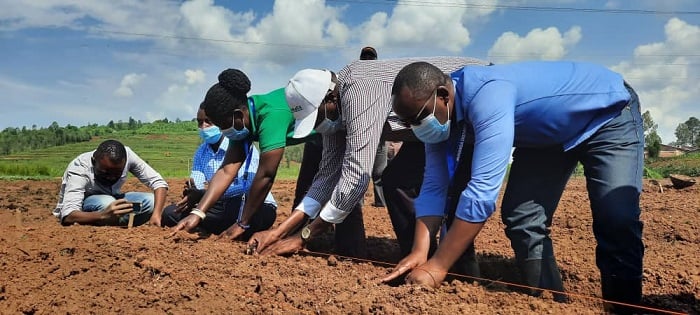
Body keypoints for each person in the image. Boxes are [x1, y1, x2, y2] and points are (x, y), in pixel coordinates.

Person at [387, 61, 644, 314]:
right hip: (548, 137)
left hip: (607, 115)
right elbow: (433, 186)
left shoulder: (487, 96)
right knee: (523, 218)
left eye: (418, 118)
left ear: (443, 96)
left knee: (616, 218)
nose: (414, 128)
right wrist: (420, 251)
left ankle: (623, 307)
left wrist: (438, 266)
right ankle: (552, 305)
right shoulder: (443, 119)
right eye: (407, 122)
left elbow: (481, 193)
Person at [248, 57, 489, 266]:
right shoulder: (334, 113)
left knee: (452, 193)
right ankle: (418, 257)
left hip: (463, 103)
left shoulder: (357, 91)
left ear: (330, 98)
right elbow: (327, 175)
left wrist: (302, 236)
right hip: (424, 128)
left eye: (317, 119)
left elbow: (355, 177)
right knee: (396, 182)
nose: (319, 127)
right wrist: (278, 232)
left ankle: (454, 268)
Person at [170, 69, 365, 257]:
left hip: (329, 126)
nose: (223, 132)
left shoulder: (270, 115)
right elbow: (226, 170)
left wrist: (242, 223)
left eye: (223, 126)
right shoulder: (243, 125)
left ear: (238, 115)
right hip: (314, 138)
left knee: (343, 188)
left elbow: (265, 176)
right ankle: (304, 242)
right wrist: (198, 212)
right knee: (304, 193)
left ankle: (352, 253)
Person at [161, 106, 277, 237]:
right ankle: (212, 228)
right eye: (199, 122)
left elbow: (248, 187)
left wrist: (205, 194)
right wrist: (193, 193)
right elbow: (197, 180)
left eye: (208, 121)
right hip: (219, 207)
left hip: (252, 205)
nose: (203, 126)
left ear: (220, 122)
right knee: (170, 213)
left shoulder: (241, 146)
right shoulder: (201, 152)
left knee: (234, 206)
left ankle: (208, 228)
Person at [53, 139, 168, 227]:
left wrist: (156, 214)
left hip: (113, 201)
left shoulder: (127, 155)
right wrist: (103, 215)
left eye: (117, 173)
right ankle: (112, 222)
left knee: (150, 202)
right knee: (106, 203)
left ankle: (119, 223)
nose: (111, 177)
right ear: (94, 161)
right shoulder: (80, 167)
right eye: (105, 172)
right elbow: (68, 215)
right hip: (86, 208)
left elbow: (158, 182)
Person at [359, 46, 388, 208]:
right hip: (362, 131)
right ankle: (357, 202)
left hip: (380, 132)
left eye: (371, 57)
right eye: (365, 57)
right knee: (360, 169)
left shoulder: (383, 80)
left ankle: (381, 204)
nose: (368, 60)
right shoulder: (356, 79)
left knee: (380, 172)